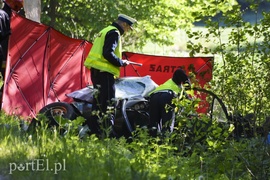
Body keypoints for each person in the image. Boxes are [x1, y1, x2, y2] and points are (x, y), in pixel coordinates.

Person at [83, 14, 137, 137]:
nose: (127, 31)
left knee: (98, 103)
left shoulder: (105, 30)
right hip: (105, 73)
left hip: (97, 72)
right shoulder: (114, 33)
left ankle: (94, 132)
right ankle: (107, 134)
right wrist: (121, 62)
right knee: (108, 103)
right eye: (128, 27)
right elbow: (108, 53)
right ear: (123, 24)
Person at [148, 68, 191, 137]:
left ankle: (152, 143)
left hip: (154, 96)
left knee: (153, 125)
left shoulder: (168, 82)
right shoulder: (180, 87)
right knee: (167, 124)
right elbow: (188, 101)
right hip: (167, 96)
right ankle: (165, 144)